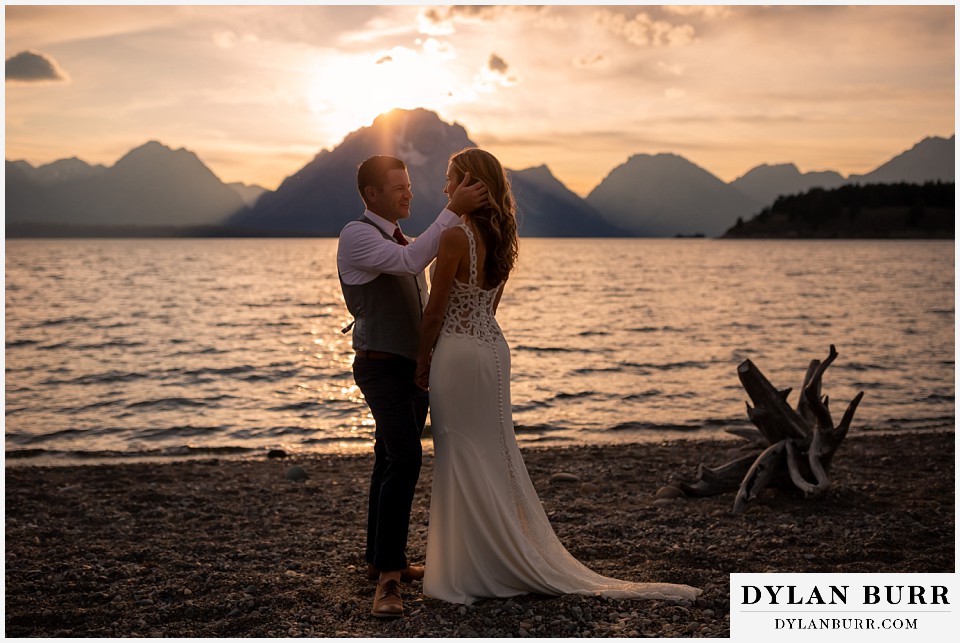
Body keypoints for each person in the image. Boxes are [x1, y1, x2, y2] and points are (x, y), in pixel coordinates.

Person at [415, 148, 701, 605]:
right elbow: (490, 308)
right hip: (492, 350)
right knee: (492, 451)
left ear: (471, 183)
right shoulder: (502, 238)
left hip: (458, 351)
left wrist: (422, 361)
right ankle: (492, 554)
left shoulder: (453, 238)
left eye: (451, 179)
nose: (445, 188)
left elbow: (434, 313)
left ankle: (473, 567)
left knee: (461, 453)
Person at [337, 154, 486, 619]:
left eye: (409, 185)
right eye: (398, 187)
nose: (409, 192)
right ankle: (387, 580)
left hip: (410, 370)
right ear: (371, 195)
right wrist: (453, 210)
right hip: (379, 368)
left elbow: (415, 261)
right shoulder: (357, 235)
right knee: (404, 458)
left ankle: (381, 560)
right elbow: (409, 262)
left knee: (388, 459)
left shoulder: (400, 235)